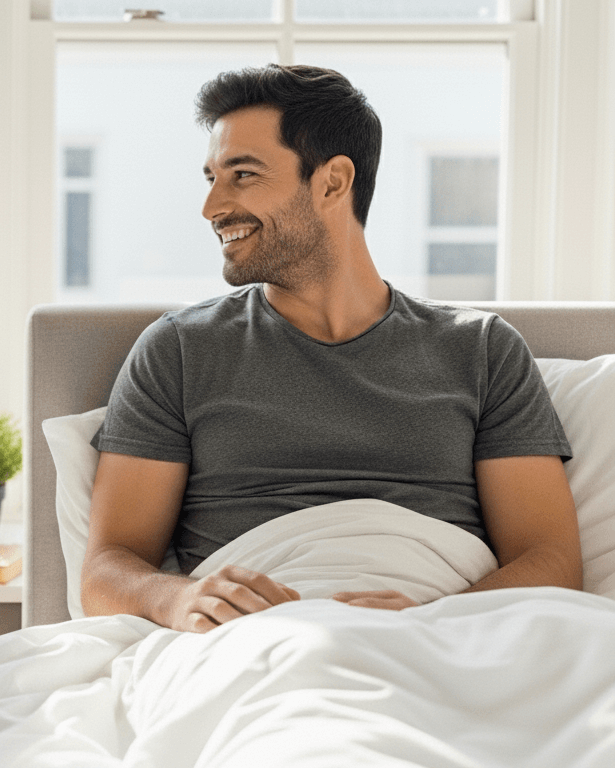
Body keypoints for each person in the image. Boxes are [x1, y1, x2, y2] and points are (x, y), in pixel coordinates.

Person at [81, 64, 581, 633]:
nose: (211, 206)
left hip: (444, 634)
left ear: (332, 182)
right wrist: (175, 599)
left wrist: (434, 619)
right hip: (252, 643)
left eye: (242, 175)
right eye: (211, 178)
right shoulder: (178, 351)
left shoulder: (482, 349)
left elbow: (552, 563)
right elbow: (106, 568)